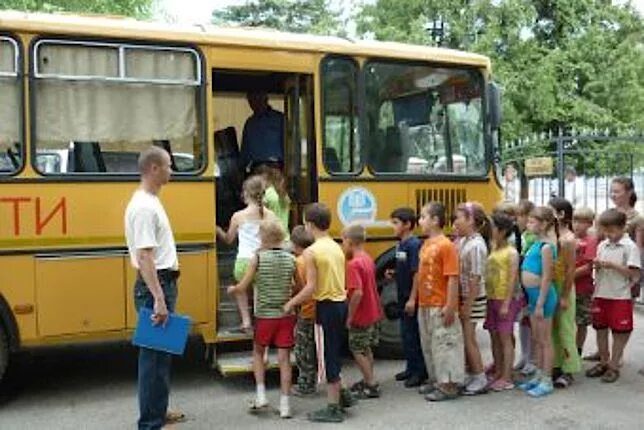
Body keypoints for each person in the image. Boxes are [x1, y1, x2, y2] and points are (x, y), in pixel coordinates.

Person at [125, 146, 182, 430]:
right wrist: (159, 298)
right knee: (152, 358)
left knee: (162, 354)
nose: (172, 170)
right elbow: (145, 256)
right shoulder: (145, 207)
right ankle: (149, 422)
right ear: (154, 169)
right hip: (155, 287)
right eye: (169, 166)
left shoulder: (149, 200)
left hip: (162, 284)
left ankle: (158, 411)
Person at [284, 203, 353, 423]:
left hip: (326, 307)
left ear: (309, 224)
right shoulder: (335, 246)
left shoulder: (312, 252)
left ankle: (333, 408)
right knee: (334, 352)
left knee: (327, 358)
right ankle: (343, 395)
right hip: (341, 303)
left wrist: (290, 303)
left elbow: (311, 288)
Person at [227, 219, 298, 418]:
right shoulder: (291, 259)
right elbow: (298, 285)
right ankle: (285, 405)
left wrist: (234, 289)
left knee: (258, 353)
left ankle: (261, 396)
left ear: (262, 237)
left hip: (265, 316)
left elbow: (243, 286)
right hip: (286, 315)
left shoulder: (257, 259)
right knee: (284, 360)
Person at [405, 202, 464, 402]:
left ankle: (449, 385)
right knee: (430, 344)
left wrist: (450, 306)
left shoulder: (446, 246)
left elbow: (453, 277)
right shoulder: (427, 243)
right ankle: (437, 379)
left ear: (435, 220)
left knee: (445, 344)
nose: (420, 221)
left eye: (423, 217)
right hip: (426, 303)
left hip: (440, 303)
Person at [585, 209, 640, 383]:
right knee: (600, 329)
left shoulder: (630, 247)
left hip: (619, 296)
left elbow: (634, 273)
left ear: (623, 227)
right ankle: (603, 361)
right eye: (605, 231)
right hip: (601, 293)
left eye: (612, 231)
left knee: (619, 332)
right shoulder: (603, 245)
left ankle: (614, 365)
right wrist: (597, 266)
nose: (608, 235)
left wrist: (612, 265)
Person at [217, 175, 277, 333]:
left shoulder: (238, 216)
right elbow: (276, 237)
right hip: (263, 261)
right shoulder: (270, 215)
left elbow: (229, 240)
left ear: (245, 193)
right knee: (259, 295)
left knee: (240, 290)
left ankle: (246, 322)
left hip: (243, 261)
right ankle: (260, 323)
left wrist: (217, 230)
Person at [517, 206, 558, 397]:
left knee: (545, 340)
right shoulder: (535, 243)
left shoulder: (547, 247)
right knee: (537, 338)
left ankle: (547, 379)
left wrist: (540, 303)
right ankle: (539, 374)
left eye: (533, 221)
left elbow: (547, 277)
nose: (528, 223)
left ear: (544, 224)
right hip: (532, 297)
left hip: (542, 297)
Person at [343, 224, 383, 399]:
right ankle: (369, 379)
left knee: (357, 349)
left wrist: (350, 316)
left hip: (361, 314)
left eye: (343, 240)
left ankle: (371, 384)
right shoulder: (367, 258)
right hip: (373, 311)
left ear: (350, 241)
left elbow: (357, 292)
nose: (342, 244)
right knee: (366, 348)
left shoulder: (353, 264)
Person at [453, 202, 489, 395]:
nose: (455, 222)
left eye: (459, 218)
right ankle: (472, 373)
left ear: (471, 220)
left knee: (469, 338)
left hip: (472, 298)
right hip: (466, 296)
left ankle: (480, 376)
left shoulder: (475, 245)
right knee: (465, 338)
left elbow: (476, 277)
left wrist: (468, 304)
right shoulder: (466, 240)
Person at [388, 207, 427, 388]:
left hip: (411, 297)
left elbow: (417, 273)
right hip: (402, 295)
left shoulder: (413, 244)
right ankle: (410, 367)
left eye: (396, 223)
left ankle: (420, 372)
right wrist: (393, 273)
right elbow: (403, 268)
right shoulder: (400, 244)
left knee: (413, 336)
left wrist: (413, 298)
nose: (392, 226)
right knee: (406, 335)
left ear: (408, 225)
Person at [485, 210, 521, 391]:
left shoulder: (511, 252)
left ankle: (507, 376)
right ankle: (498, 371)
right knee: (494, 336)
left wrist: (507, 303)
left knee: (505, 337)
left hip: (505, 299)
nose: (489, 230)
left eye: (492, 227)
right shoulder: (494, 248)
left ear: (502, 230)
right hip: (492, 297)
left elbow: (512, 279)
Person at [548, 197, 582, 388]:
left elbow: (570, 269)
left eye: (550, 210)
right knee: (553, 328)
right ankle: (556, 364)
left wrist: (564, 295)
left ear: (561, 214)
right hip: (552, 284)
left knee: (565, 328)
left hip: (563, 286)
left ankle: (569, 369)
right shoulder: (551, 235)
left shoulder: (568, 239)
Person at [290, 225, 318, 396]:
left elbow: (298, 287)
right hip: (319, 308)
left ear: (294, 244)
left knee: (303, 349)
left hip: (306, 310)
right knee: (314, 347)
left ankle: (306, 384)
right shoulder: (315, 257)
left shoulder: (298, 262)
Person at [515, 199, 537, 376]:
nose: (520, 219)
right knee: (523, 320)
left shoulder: (532, 237)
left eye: (524, 216)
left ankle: (532, 358)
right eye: (519, 215)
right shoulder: (521, 235)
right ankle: (524, 355)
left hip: (530, 283)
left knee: (530, 321)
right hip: (522, 283)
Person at [572, 207, 597, 357]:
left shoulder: (590, 241)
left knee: (581, 322)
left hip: (582, 288)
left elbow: (588, 267)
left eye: (582, 222)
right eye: (575, 221)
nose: (577, 225)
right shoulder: (569, 238)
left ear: (590, 224)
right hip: (568, 288)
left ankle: (578, 350)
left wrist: (569, 276)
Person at [240, 91, 284, 173]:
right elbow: (244, 152)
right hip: (256, 169)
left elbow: (289, 144)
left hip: (276, 168)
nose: (254, 103)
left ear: (265, 99)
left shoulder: (280, 119)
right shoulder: (250, 123)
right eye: (251, 100)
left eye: (258, 99)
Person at [257, 165, 291, 240]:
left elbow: (261, 217)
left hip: (272, 239)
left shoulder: (267, 196)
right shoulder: (285, 195)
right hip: (285, 237)